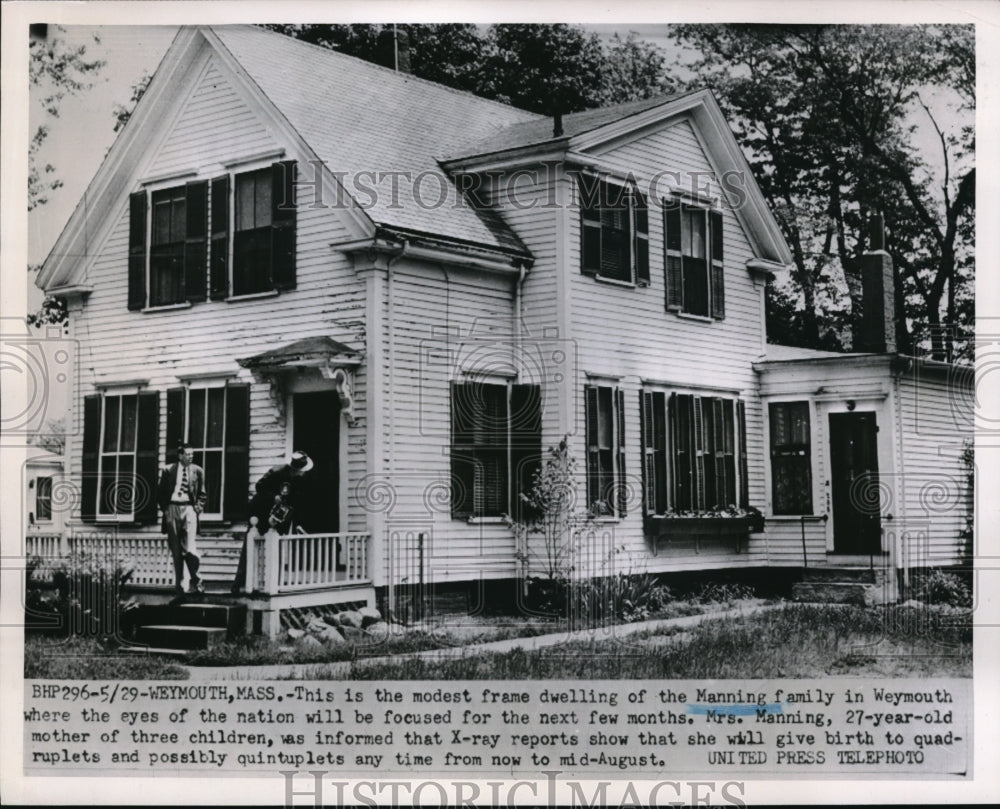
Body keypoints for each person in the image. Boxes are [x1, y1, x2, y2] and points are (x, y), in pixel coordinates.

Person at [232, 450, 313, 593]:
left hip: (281, 516)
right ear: (294, 468)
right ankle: (238, 585)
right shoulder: (277, 472)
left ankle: (274, 584)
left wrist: (299, 523)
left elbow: (298, 503)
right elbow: (259, 487)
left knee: (277, 548)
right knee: (250, 548)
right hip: (260, 513)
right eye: (301, 470)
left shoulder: (302, 480)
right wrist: (273, 497)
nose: (303, 473)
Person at [157, 442, 207, 595]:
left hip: (189, 509)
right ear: (180, 455)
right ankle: (180, 588)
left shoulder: (198, 471)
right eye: (187, 454)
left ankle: (196, 579)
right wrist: (166, 510)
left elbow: (202, 494)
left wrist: (197, 508)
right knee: (177, 551)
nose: (190, 457)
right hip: (172, 508)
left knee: (189, 549)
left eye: (192, 454)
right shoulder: (167, 470)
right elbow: (160, 492)